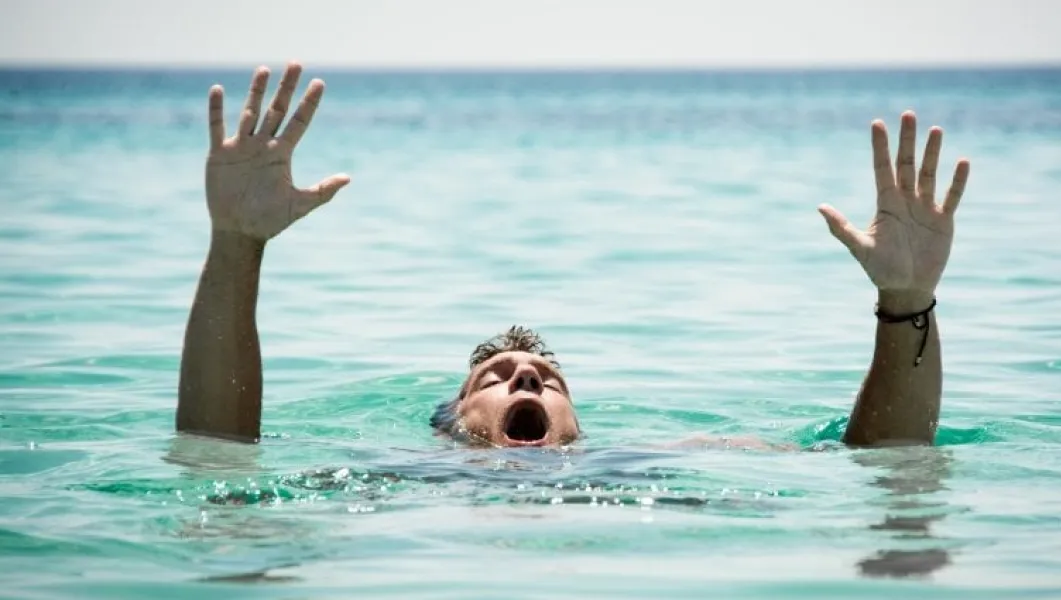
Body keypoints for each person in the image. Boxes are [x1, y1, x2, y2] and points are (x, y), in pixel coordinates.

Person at [176, 63, 971, 449]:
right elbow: (218, 468)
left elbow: (888, 465)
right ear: (451, 424)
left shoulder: (649, 470)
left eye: (546, 380)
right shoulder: (393, 489)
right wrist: (236, 245)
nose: (527, 376)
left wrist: (906, 304)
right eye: (497, 378)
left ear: (577, 426)